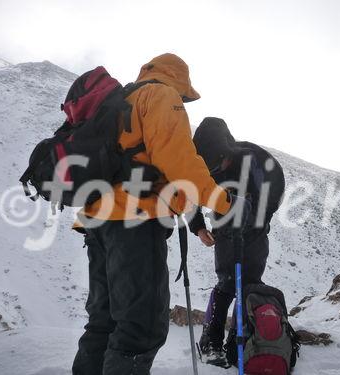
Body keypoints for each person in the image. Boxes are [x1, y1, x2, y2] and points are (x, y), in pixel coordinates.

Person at [72, 54, 246, 375]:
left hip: (96, 220)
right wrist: (226, 203)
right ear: (179, 82)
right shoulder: (162, 95)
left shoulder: (124, 99)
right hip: (135, 223)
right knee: (141, 329)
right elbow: (181, 164)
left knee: (104, 323)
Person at [188, 117, 285, 366]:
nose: (218, 169)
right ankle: (210, 342)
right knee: (227, 283)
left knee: (251, 283)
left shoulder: (255, 159)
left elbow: (274, 191)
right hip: (225, 229)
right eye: (212, 168)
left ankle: (240, 340)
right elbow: (190, 196)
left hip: (256, 229)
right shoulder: (200, 165)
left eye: (220, 162)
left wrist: (260, 221)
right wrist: (198, 227)